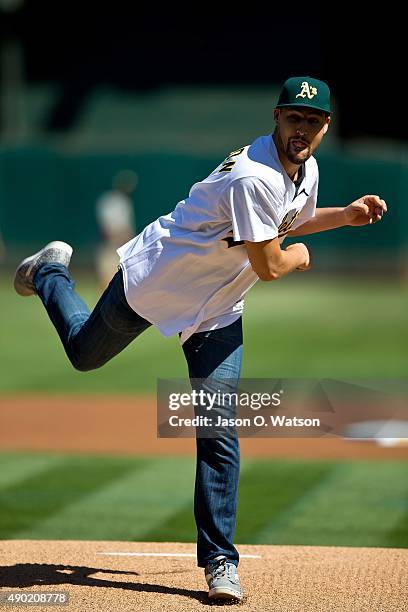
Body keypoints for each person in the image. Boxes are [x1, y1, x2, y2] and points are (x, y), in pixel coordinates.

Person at [13, 76, 387, 602]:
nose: (302, 128)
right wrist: (302, 257)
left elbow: (290, 221)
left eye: (313, 120)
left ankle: (220, 563)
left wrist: (343, 217)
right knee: (83, 355)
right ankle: (51, 272)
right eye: (294, 117)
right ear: (276, 117)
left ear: (325, 126)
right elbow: (274, 261)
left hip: (216, 309)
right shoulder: (254, 176)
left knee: (218, 431)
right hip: (157, 283)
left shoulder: (305, 170)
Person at [95, 169, 137, 288]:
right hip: (110, 245)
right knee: (106, 281)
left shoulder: (125, 202)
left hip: (122, 246)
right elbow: (107, 228)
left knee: (120, 282)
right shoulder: (109, 200)